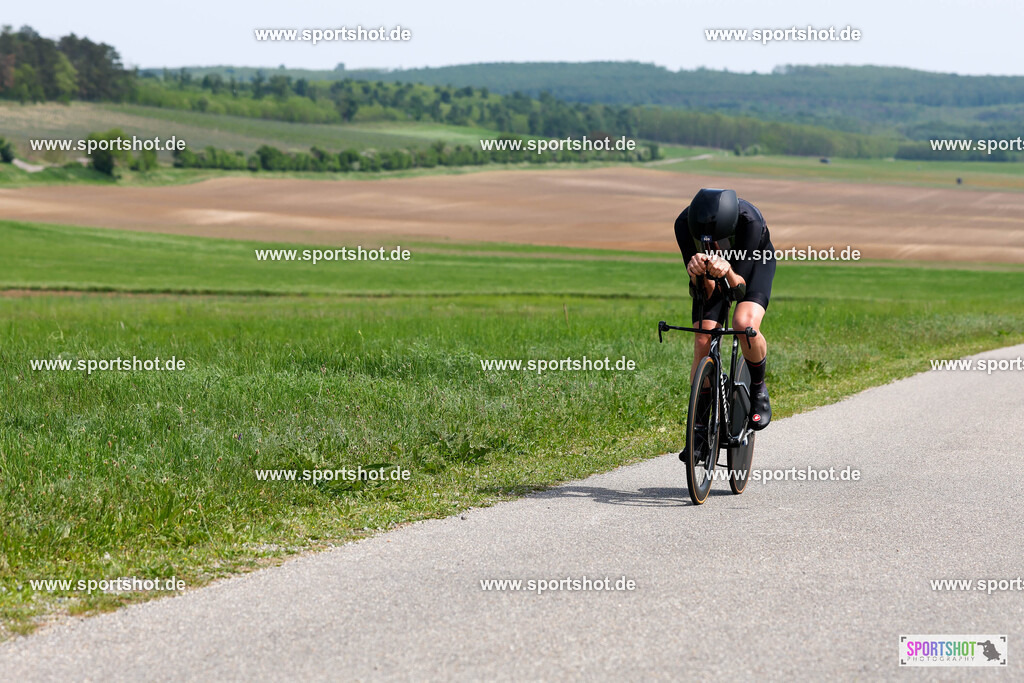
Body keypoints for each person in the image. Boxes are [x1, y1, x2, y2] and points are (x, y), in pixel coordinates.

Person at [673, 188, 776, 462]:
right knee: (703, 338)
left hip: (751, 267)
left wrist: (727, 270)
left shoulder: (749, 222)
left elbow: (739, 290)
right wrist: (695, 271)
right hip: (711, 272)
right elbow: (700, 290)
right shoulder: (684, 224)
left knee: (743, 323)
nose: (711, 243)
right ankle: (699, 428)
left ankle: (758, 388)